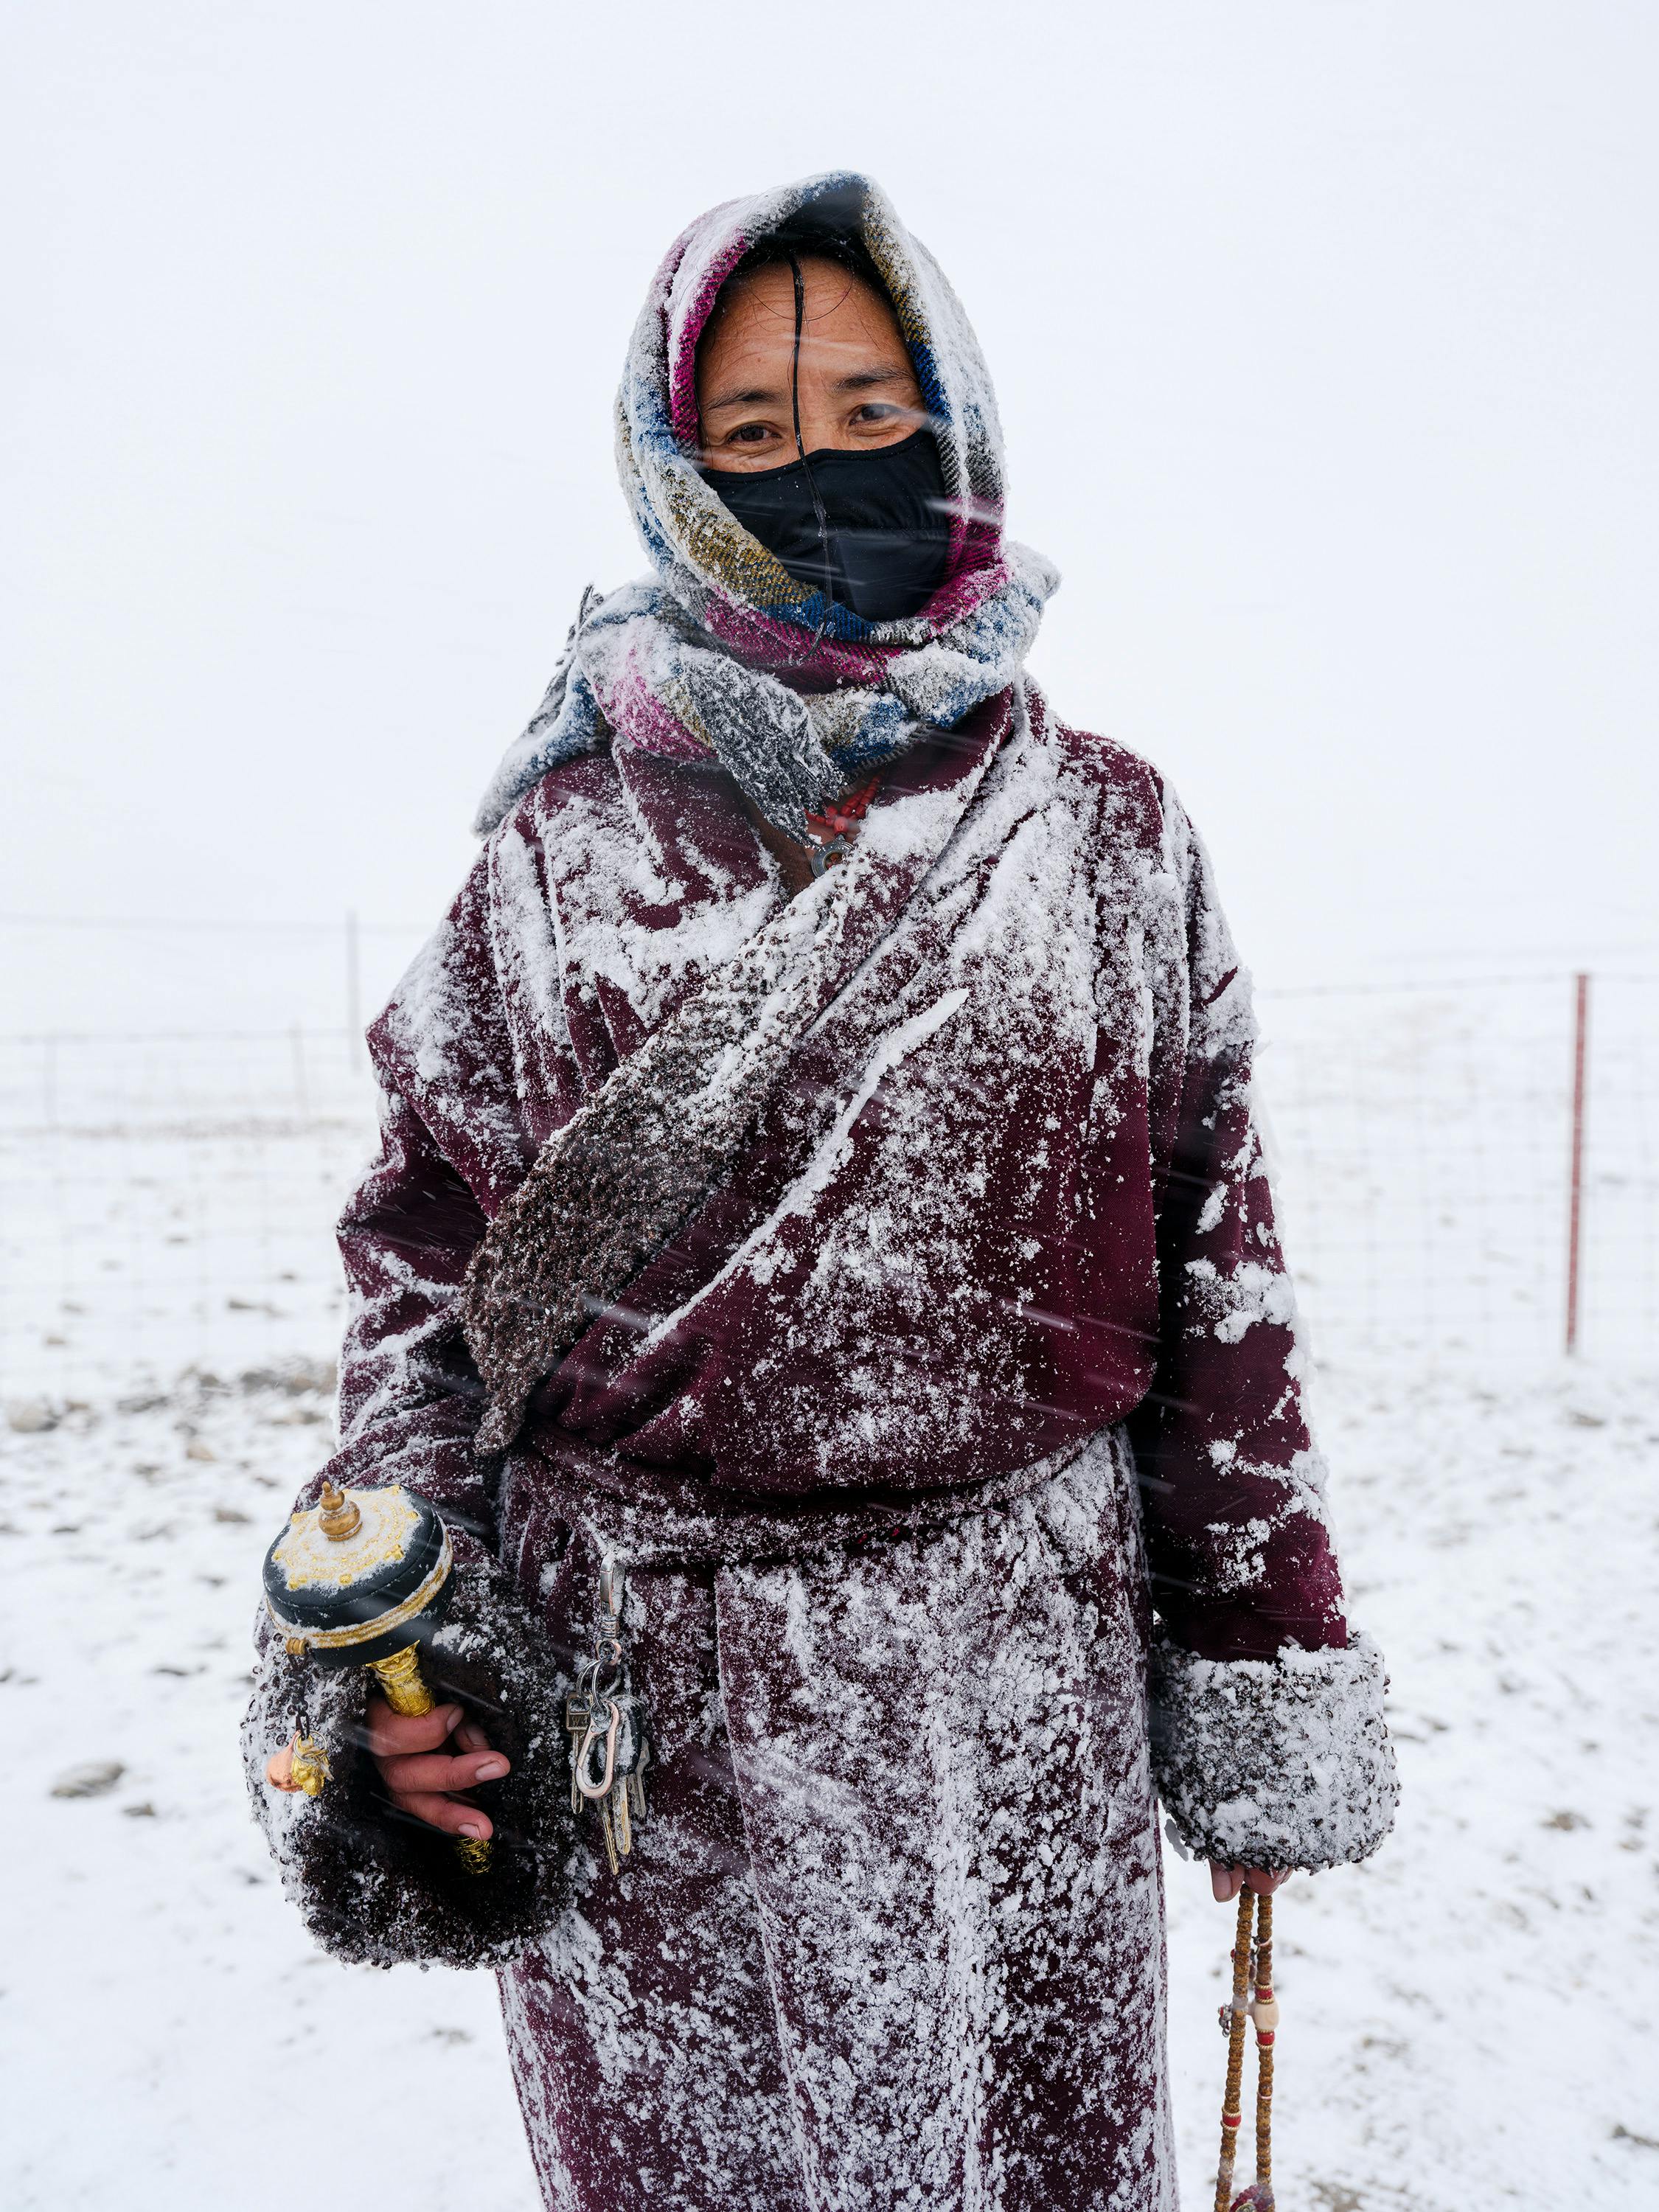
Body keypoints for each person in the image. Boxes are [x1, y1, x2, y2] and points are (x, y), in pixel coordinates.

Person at [249, 171, 1397, 2211]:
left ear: (955, 416)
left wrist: (1257, 1666)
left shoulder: (1110, 839)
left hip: (1019, 1708)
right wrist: (394, 1643)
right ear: (670, 473)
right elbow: (425, 1282)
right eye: (757, 439)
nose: (824, 471)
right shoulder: (550, 864)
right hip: (655, 1732)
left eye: (870, 411)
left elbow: (1222, 1284)